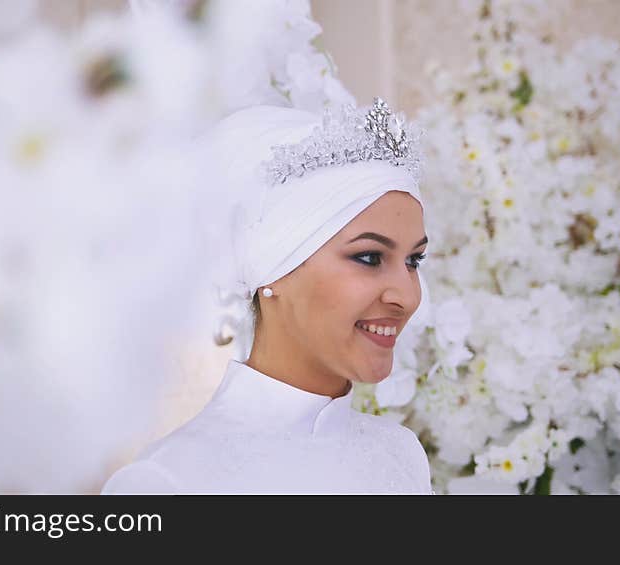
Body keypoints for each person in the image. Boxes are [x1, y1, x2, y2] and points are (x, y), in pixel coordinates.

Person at [103, 98, 434, 494]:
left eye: (414, 261)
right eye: (369, 257)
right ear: (270, 268)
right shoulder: (171, 481)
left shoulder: (398, 455)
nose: (407, 296)